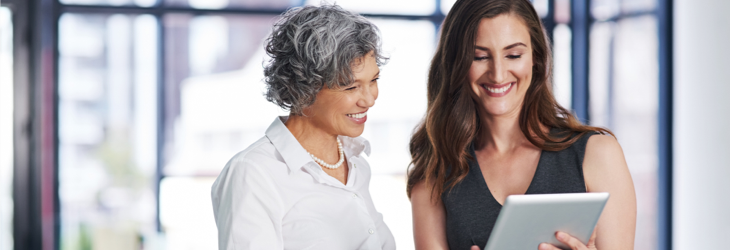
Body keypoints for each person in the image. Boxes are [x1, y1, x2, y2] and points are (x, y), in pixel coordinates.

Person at [407, 0, 636, 249]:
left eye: (513, 55)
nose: (498, 74)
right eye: (480, 57)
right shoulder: (435, 171)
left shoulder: (598, 155)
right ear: (456, 64)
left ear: (535, 58)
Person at [210, 4, 395, 250]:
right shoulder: (254, 173)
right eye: (351, 87)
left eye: (373, 80)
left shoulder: (356, 163)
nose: (369, 99)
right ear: (304, 87)